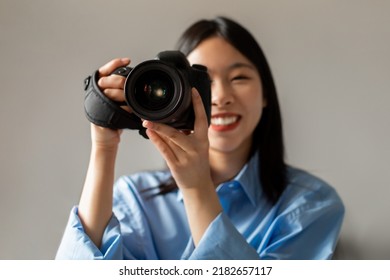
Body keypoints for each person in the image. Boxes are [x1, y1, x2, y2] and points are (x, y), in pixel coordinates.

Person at [56, 16, 344, 260]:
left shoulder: (310, 204)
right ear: (169, 94)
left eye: (239, 78)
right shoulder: (134, 198)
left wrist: (196, 187)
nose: (220, 97)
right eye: (203, 83)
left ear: (266, 93)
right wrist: (104, 147)